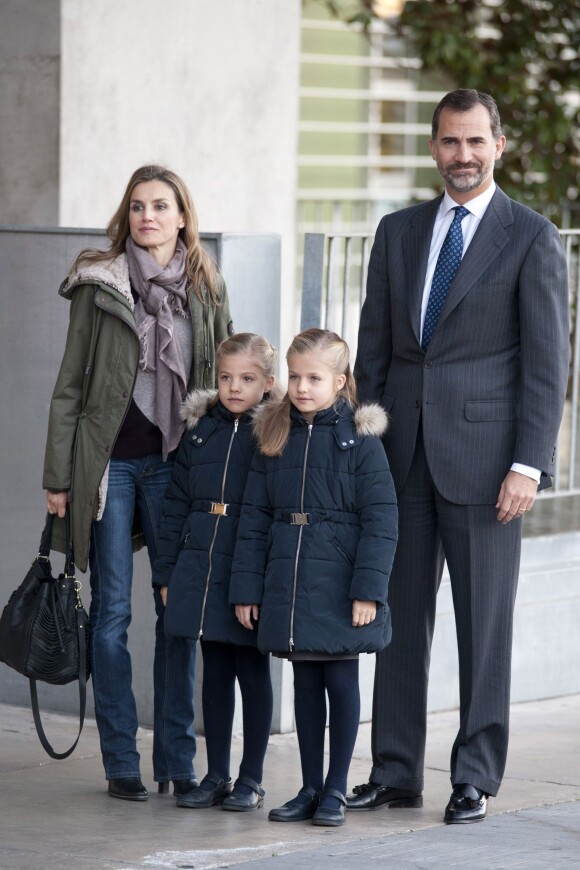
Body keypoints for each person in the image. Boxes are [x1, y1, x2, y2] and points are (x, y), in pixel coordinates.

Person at [348, 89, 570, 823]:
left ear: (498, 145)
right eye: (450, 142)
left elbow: (547, 363)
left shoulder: (531, 237)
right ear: (434, 146)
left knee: (483, 628)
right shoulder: (398, 230)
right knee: (397, 623)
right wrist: (368, 449)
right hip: (402, 458)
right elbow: (375, 348)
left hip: (488, 466)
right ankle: (396, 770)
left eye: (476, 142)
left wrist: (528, 464)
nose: (463, 156)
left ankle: (474, 774)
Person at [43, 165, 234, 801]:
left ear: (183, 215)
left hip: (177, 468)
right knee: (112, 616)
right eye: (137, 207)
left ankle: (177, 763)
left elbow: (223, 381)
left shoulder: (205, 286)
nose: (147, 216)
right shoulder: (101, 286)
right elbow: (71, 385)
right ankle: (121, 760)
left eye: (161, 206)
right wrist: (58, 476)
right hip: (110, 467)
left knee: (176, 614)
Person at [230, 328, 398, 827]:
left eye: (315, 378)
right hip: (291, 582)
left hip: (341, 585)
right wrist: (246, 588)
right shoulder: (274, 437)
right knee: (304, 686)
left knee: (341, 683)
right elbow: (253, 518)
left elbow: (382, 520)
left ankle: (336, 789)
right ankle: (308, 786)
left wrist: (368, 589)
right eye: (296, 377)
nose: (302, 388)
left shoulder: (361, 444)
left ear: (340, 382)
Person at [153, 333, 280, 812]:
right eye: (226, 378)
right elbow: (176, 504)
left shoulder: (273, 433)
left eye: (246, 379)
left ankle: (251, 779)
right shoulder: (200, 431)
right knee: (215, 673)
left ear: (267, 384)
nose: (233, 387)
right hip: (200, 564)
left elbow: (271, 512)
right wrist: (166, 573)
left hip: (246, 568)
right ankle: (217, 774)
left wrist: (257, 583)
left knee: (251, 669)